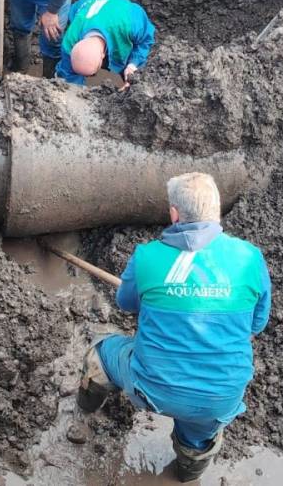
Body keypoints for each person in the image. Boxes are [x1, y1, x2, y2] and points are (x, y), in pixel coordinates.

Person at [77, 172, 272, 483]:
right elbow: (257, 323)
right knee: (199, 438)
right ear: (216, 212)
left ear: (174, 215)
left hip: (151, 388)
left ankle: (83, 410)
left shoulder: (147, 256)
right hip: (220, 398)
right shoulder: (250, 258)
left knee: (101, 354)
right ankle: (187, 473)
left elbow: (126, 303)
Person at [55, 0, 155, 87]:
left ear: (103, 55)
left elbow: (145, 40)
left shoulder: (130, 23)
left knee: (125, 54)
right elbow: (67, 73)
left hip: (118, 4)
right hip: (87, 3)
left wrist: (133, 64)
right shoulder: (69, 41)